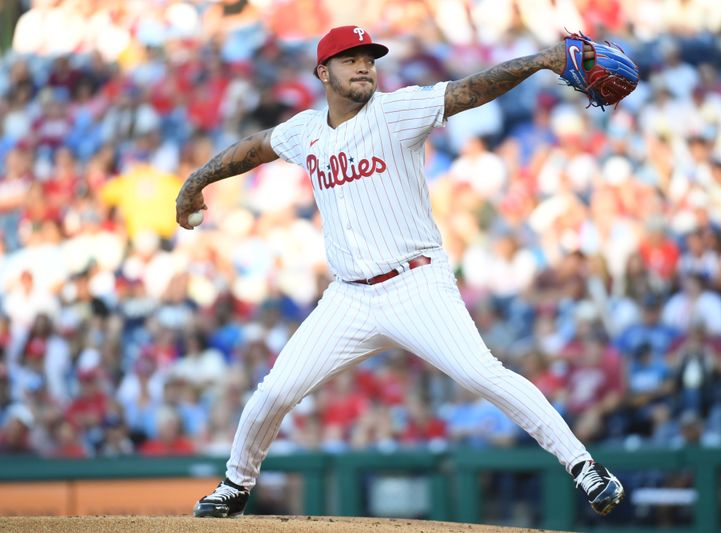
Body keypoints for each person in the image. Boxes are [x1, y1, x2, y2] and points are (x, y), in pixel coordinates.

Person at [176, 25, 624, 519]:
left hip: (416, 284)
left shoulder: (396, 111)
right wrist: (197, 181)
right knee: (276, 391)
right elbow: (254, 148)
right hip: (348, 298)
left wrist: (540, 60)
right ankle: (236, 486)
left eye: (370, 58)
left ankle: (584, 466)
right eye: (350, 59)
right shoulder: (305, 131)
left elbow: (471, 89)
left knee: (480, 373)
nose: (364, 65)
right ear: (323, 72)